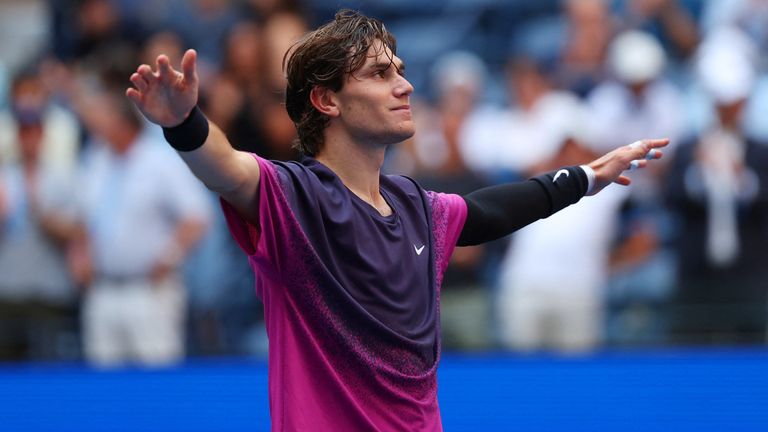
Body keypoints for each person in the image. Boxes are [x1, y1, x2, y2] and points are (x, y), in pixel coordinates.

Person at [126, 10, 667, 431]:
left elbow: (490, 211)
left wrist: (587, 176)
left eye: (401, 72)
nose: (405, 86)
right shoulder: (293, 197)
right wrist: (184, 123)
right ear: (326, 100)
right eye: (381, 74)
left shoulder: (417, 206)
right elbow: (224, 169)